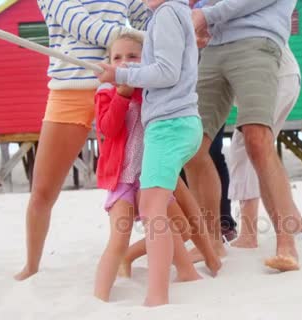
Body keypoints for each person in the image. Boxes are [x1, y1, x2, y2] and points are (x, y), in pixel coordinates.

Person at [15, 0, 149, 281]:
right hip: (71, 89)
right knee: (43, 188)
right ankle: (32, 266)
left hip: (123, 85)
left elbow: (149, 15)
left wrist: (177, 32)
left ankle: (199, 247)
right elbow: (80, 25)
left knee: (153, 179)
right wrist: (139, 41)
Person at [96, 0, 201, 306]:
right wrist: (122, 79)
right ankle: (187, 274)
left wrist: (122, 76)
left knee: (152, 210)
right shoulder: (174, 14)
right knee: (156, 209)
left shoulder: (167, 13)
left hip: (169, 124)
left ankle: (157, 296)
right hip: (177, 122)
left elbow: (166, 72)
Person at [185, 0, 302, 271]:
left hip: (258, 41)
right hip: (213, 49)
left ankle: (286, 243)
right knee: (191, 146)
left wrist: (205, 14)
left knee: (257, 138)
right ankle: (212, 240)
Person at [229, 45, 302, 248]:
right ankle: (295, 222)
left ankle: (249, 233)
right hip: (282, 76)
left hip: (274, 77)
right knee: (257, 148)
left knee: (246, 147)